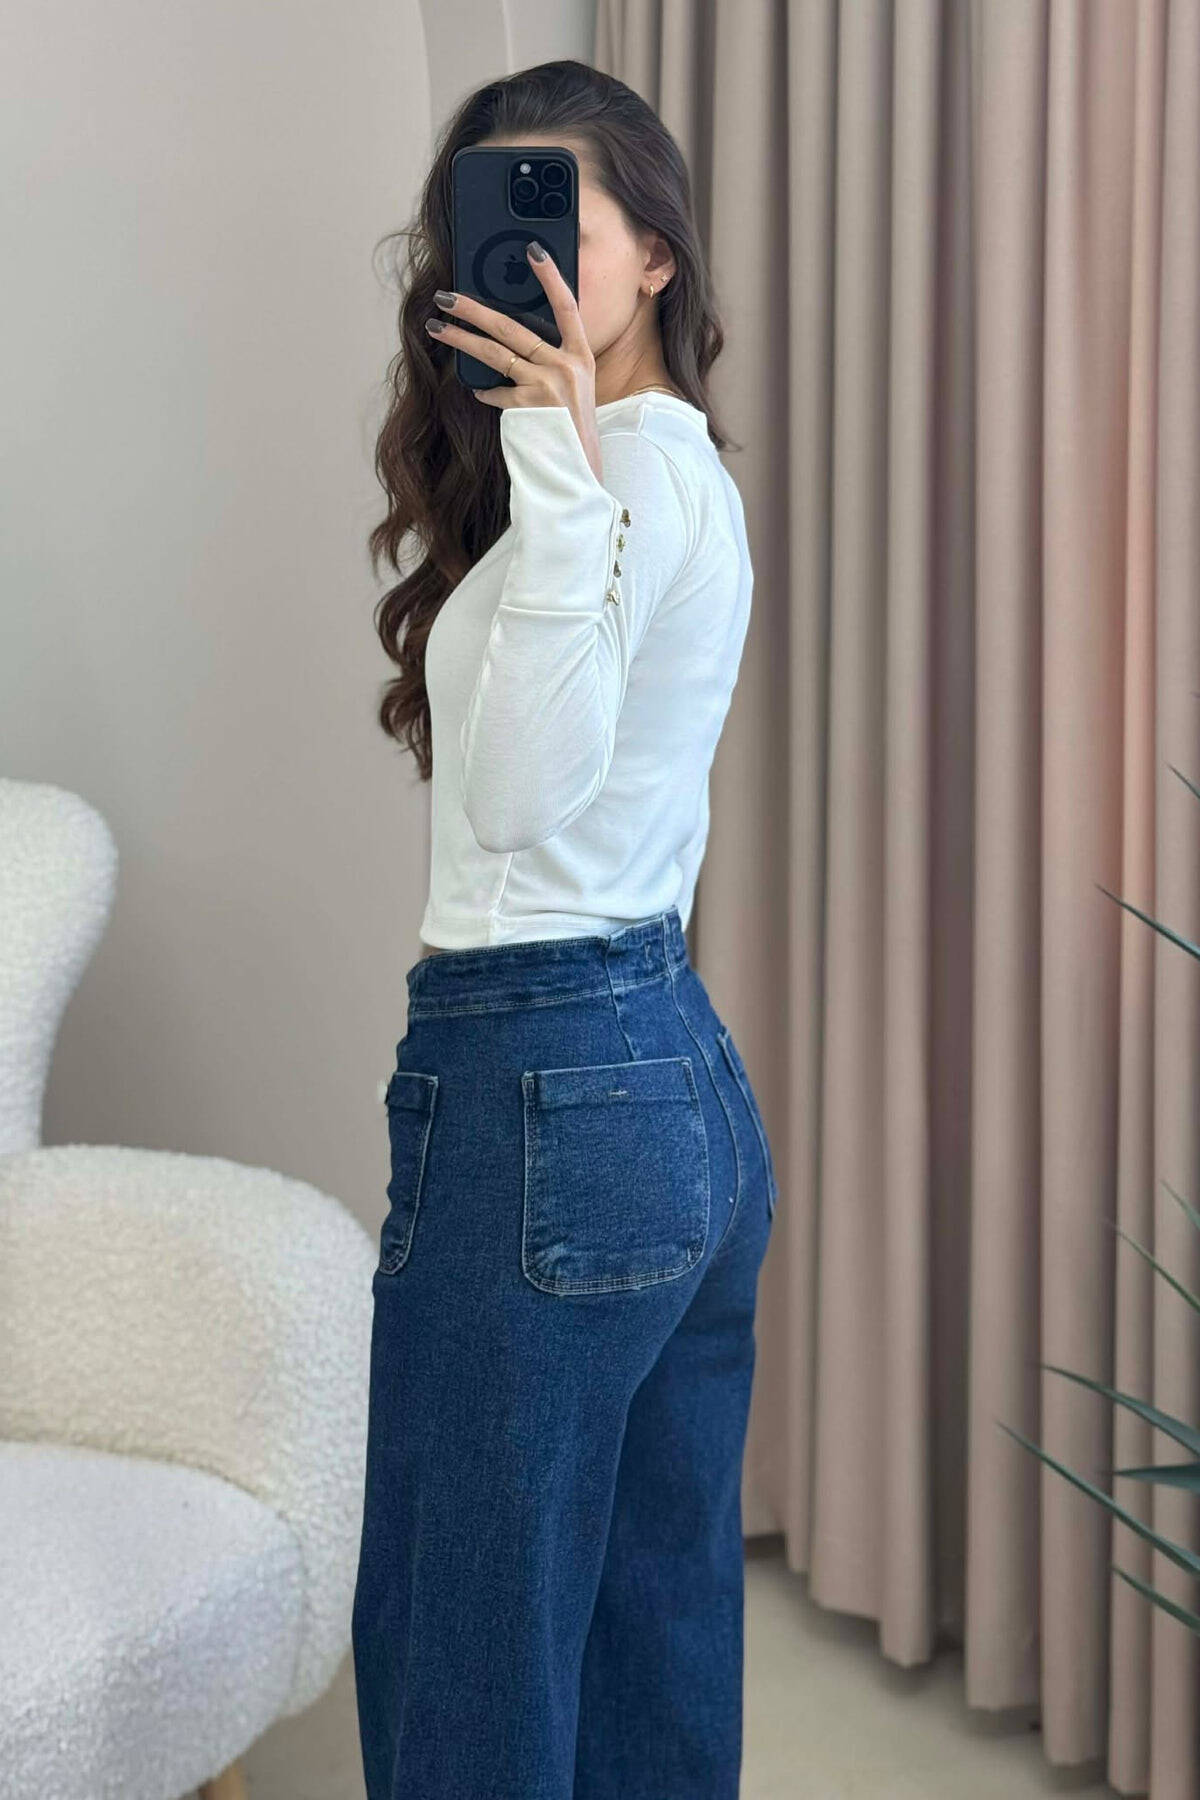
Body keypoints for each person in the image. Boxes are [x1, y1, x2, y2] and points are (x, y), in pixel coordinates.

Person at [352, 57, 779, 1800]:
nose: (524, 264)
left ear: (656, 253)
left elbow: (521, 798)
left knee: (471, 1652)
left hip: (543, 1088)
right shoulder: (659, 475)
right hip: (664, 1078)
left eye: (564, 221)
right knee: (642, 1641)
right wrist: (552, 467)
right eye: (492, 222)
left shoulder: (624, 482)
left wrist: (551, 456)